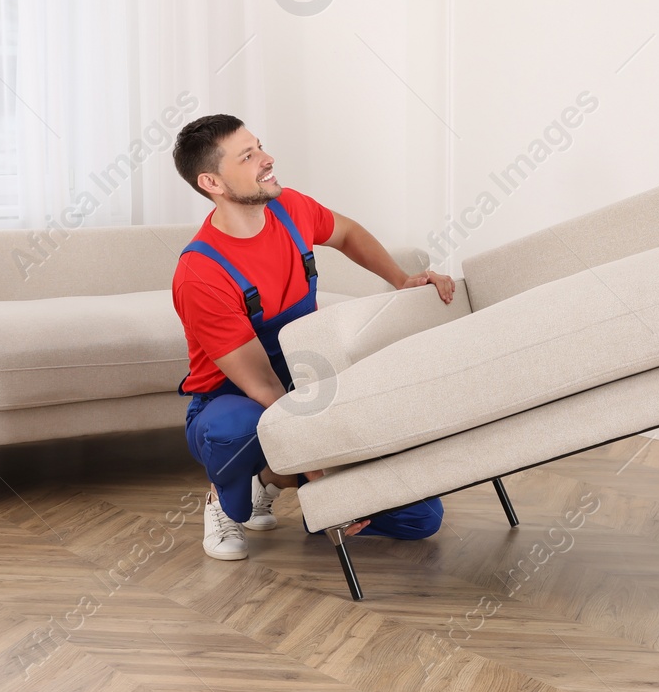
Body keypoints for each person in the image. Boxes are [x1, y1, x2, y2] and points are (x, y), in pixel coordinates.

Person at [171, 113, 455, 560]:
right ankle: (226, 500)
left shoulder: (290, 209)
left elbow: (347, 233)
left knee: (421, 519)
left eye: (259, 146)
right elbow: (263, 385)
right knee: (235, 429)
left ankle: (270, 479)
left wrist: (401, 282)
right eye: (248, 156)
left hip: (312, 381)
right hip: (237, 399)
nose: (268, 159)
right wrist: (320, 473)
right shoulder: (200, 272)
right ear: (213, 182)